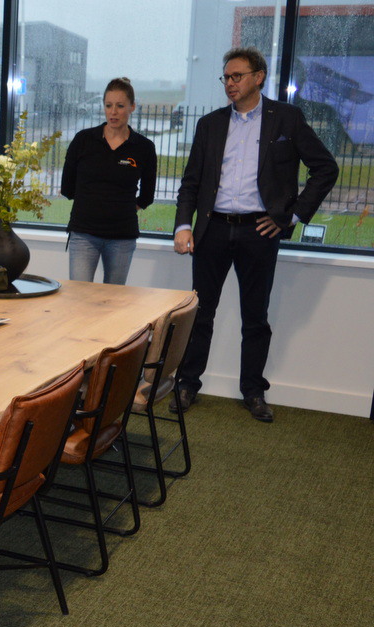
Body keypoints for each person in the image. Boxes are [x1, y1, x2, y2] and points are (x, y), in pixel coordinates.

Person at [172, 47, 338, 423]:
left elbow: (325, 168)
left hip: (259, 232)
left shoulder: (287, 119)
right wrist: (183, 225)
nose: (230, 83)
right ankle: (186, 384)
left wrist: (291, 216)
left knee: (256, 318)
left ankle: (253, 392)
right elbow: (191, 181)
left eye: (237, 76)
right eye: (226, 77)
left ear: (258, 77)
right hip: (213, 229)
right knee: (200, 313)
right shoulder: (210, 124)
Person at [60, 77, 157, 284]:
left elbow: (147, 195)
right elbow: (67, 187)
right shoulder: (83, 140)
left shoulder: (144, 147)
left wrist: (121, 208)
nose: (113, 112)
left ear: (132, 107)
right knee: (79, 296)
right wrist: (93, 202)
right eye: (108, 105)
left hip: (122, 236)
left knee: (114, 299)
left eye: (120, 106)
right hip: (83, 234)